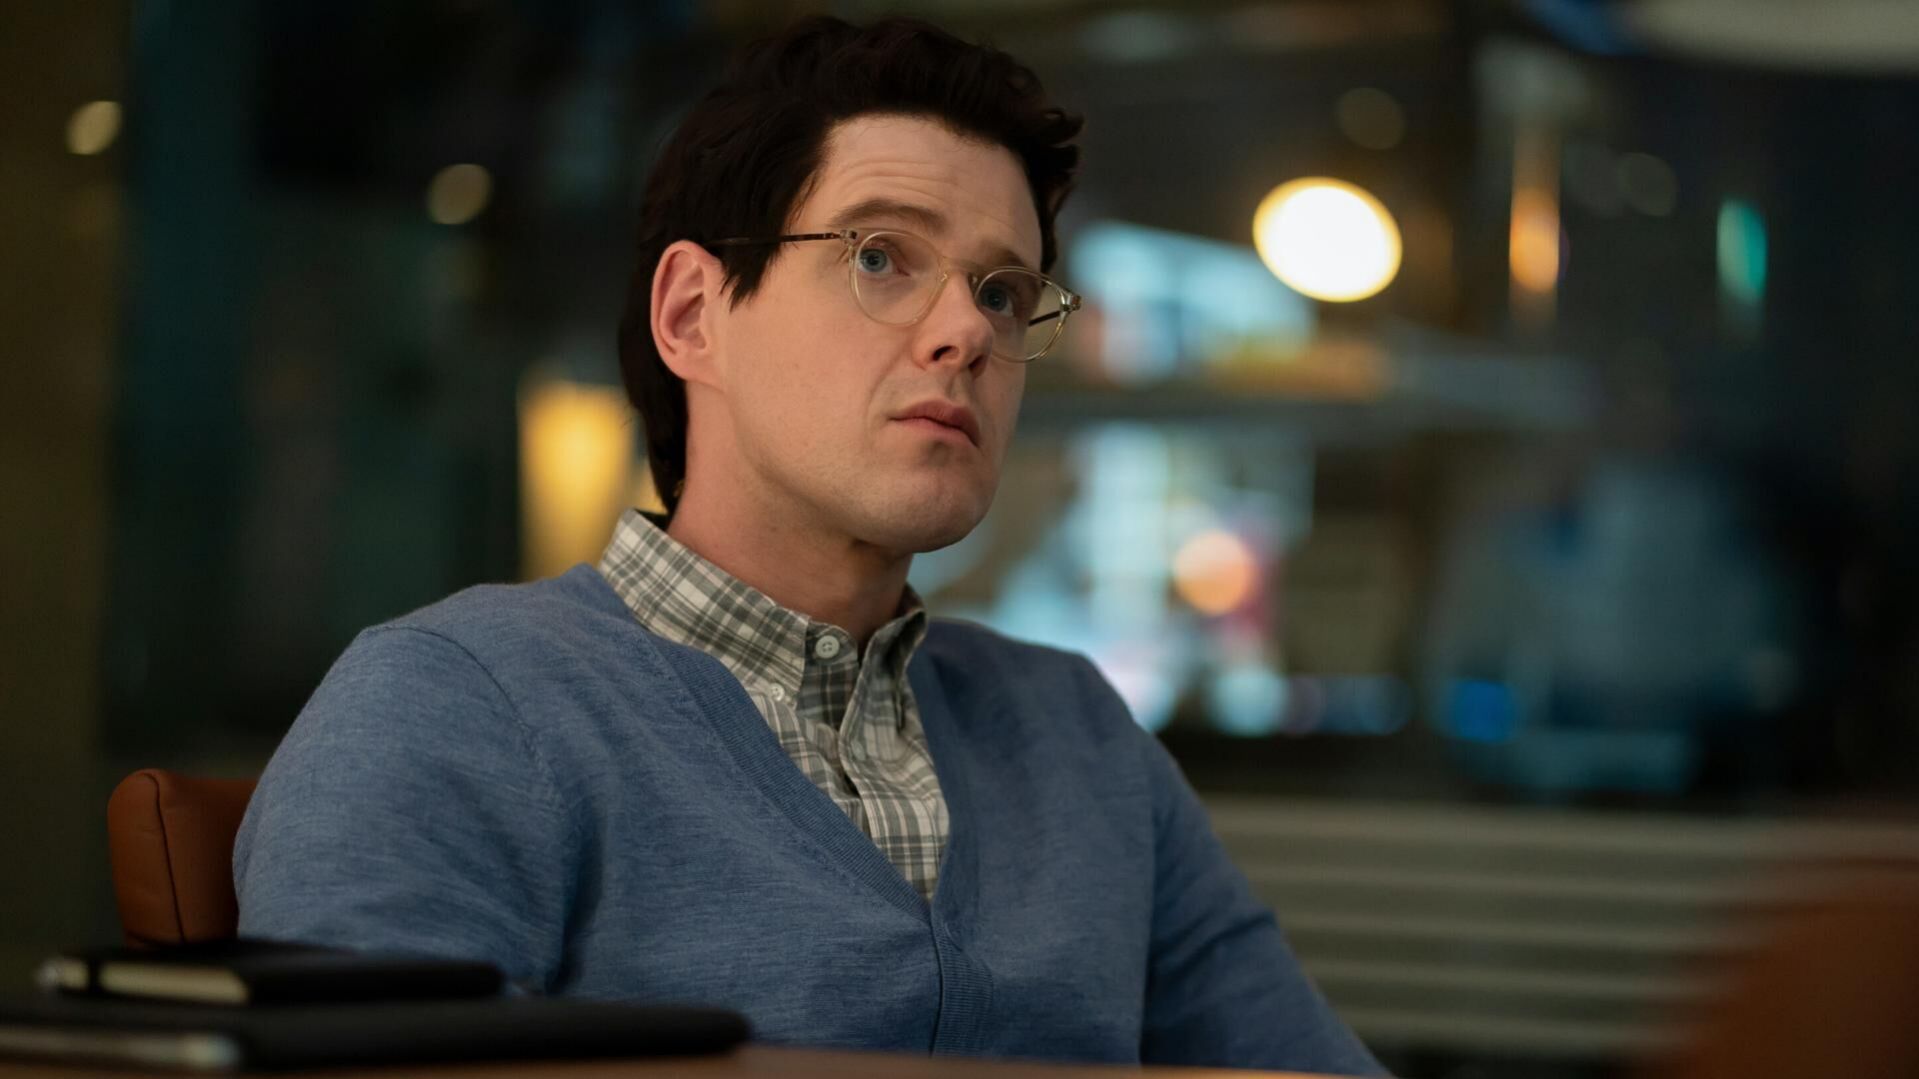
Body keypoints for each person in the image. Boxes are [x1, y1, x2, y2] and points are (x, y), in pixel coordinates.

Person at [234, 15, 1383, 1074]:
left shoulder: (1074, 734)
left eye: (1002, 291)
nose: (964, 331)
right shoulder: (460, 700)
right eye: (880, 255)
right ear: (692, 314)